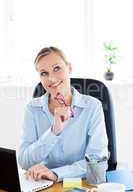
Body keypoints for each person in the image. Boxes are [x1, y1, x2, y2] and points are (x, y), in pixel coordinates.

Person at [18, 46, 108, 182]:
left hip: (82, 183)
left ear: (69, 68)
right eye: (44, 73)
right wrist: (53, 132)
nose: (52, 79)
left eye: (57, 68)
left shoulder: (92, 107)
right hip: (45, 185)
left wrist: (55, 174)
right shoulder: (32, 109)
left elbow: (96, 162)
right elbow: (24, 161)